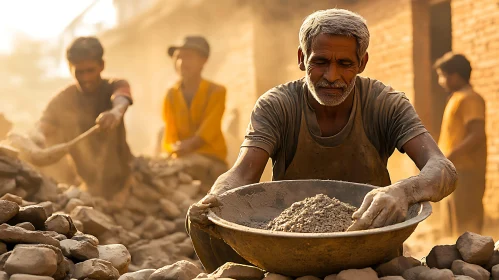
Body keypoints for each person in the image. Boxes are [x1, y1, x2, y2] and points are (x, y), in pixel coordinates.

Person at [186, 9, 458, 272]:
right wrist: (215, 197)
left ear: (362, 63)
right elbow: (243, 172)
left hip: (369, 248)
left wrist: (402, 191)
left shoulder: (385, 103)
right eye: (320, 62)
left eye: (345, 64)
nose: (331, 76)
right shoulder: (277, 105)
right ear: (302, 59)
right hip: (290, 252)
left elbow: (442, 169)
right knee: (204, 218)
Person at [35, 36, 134, 199]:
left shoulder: (114, 85)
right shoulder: (64, 99)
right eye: (79, 72)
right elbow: (43, 124)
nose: (86, 78)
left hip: (122, 180)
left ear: (102, 65)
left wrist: (115, 112)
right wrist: (37, 137)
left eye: (90, 70)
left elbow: (122, 98)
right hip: (86, 184)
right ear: (70, 68)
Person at [162, 36, 228, 188]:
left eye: (188, 57)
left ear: (203, 60)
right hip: (180, 156)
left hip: (210, 156)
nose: (181, 63)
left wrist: (189, 146)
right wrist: (174, 148)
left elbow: (210, 127)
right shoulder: (170, 94)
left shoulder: (216, 91)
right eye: (178, 57)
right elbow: (169, 133)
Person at [435, 53, 487, 236]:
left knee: (466, 226)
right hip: (456, 171)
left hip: (467, 170)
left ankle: (472, 262)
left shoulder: (470, 98)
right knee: (453, 224)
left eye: (442, 75)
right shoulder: (457, 98)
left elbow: (476, 135)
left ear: (455, 75)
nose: (441, 81)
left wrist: (448, 157)